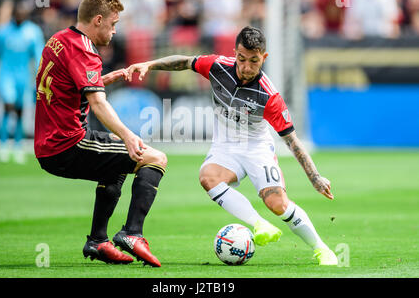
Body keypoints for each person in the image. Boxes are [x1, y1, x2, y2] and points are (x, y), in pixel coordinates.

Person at [125, 26, 338, 265]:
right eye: (242, 59)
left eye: (254, 61)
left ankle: (322, 249)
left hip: (257, 148)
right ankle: (259, 224)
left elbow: (292, 141)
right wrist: (149, 65)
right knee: (207, 177)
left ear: (264, 58)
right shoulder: (217, 67)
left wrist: (315, 177)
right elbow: (184, 62)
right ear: (235, 52)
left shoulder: (269, 96)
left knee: (277, 204)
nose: (247, 67)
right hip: (225, 146)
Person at [34, 0, 167, 267]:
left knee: (115, 165)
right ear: (97, 20)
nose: (115, 31)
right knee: (155, 158)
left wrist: (104, 79)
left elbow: (69, 89)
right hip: (69, 143)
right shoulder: (85, 50)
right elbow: (97, 103)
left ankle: (98, 241)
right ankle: (132, 234)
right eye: (113, 24)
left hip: (46, 145)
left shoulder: (58, 40)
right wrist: (129, 136)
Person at [0, 0, 45, 164]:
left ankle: (17, 146)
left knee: (20, 111)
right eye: (17, 12)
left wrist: (41, 78)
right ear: (14, 13)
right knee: (8, 106)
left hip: (24, 77)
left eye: (23, 12)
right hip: (6, 75)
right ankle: (3, 145)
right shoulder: (2, 31)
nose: (20, 15)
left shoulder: (33, 32)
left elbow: (39, 57)